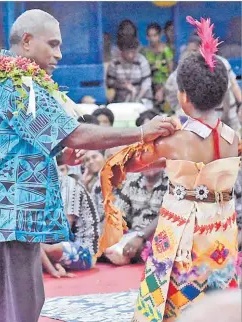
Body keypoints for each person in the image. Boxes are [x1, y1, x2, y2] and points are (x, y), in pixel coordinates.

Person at [0, 9, 176, 322]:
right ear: (27, 42)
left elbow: (13, 142)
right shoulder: (20, 85)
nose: (59, 54)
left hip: (0, 220)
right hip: (7, 221)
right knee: (17, 310)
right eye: (54, 45)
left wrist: (58, 152)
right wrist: (142, 132)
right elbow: (77, 133)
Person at [100, 16, 240, 321]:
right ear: (221, 95)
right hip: (222, 231)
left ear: (183, 97)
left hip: (182, 234)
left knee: (173, 300)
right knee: (217, 291)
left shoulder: (174, 140)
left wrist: (147, 137)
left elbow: (128, 165)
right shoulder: (234, 139)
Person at [165, 35, 242, 136]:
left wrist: (240, 104)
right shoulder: (186, 67)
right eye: (190, 51)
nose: (192, 54)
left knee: (232, 140)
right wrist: (179, 109)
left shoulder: (221, 63)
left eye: (195, 50)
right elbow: (170, 88)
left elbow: (234, 85)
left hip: (228, 112)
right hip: (204, 116)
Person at [105, 167, 168, 266]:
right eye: (146, 159)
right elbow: (119, 214)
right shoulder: (132, 180)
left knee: (157, 249)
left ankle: (125, 254)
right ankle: (120, 252)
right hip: (133, 233)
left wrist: (140, 237)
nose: (150, 164)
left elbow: (167, 215)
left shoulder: (172, 181)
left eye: (154, 159)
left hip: (161, 234)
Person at [107, 36, 153, 105]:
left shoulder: (141, 60)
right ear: (121, 51)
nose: (130, 55)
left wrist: (137, 98)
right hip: (121, 100)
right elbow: (110, 82)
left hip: (142, 98)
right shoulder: (115, 62)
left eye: (133, 52)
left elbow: (146, 83)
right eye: (127, 52)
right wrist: (123, 86)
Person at [141, 23, 174, 110]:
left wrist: (162, 90)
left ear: (160, 35)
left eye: (155, 35)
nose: (152, 39)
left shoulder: (166, 51)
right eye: (150, 36)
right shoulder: (145, 52)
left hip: (165, 86)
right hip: (150, 87)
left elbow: (171, 74)